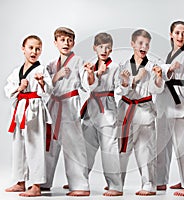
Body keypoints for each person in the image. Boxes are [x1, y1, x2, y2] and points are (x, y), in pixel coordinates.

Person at [40, 27, 90, 196]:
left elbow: (86, 84)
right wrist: (57, 75)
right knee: (49, 144)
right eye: (62, 40)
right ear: (55, 43)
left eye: (69, 40)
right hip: (53, 105)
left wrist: (90, 73)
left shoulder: (79, 61)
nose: (66, 43)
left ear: (73, 43)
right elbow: (45, 87)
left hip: (69, 105)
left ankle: (80, 186)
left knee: (74, 145)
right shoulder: (51, 65)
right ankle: (44, 182)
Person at [155, 21, 184, 196]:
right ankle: (160, 181)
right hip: (163, 100)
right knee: (161, 143)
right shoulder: (166, 55)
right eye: (177, 33)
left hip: (180, 99)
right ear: (171, 34)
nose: (180, 36)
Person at [4, 35, 53, 197]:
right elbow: (8, 90)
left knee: (34, 145)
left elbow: (49, 90)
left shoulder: (41, 70)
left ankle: (37, 184)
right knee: (19, 145)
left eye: (38, 49)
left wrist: (41, 82)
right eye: (31, 48)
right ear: (23, 48)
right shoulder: (16, 71)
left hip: (34, 109)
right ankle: (20, 181)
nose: (34, 51)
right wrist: (20, 87)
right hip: (20, 109)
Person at [118, 29, 164, 196]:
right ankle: (117, 185)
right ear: (132, 44)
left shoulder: (152, 66)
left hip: (144, 110)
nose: (143, 46)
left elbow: (155, 89)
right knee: (121, 149)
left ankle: (149, 184)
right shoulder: (123, 65)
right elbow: (120, 90)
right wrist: (126, 81)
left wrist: (158, 77)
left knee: (145, 149)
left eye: (146, 44)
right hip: (125, 110)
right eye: (140, 43)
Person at [81, 32, 123, 196]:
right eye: (100, 47)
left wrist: (125, 81)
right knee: (86, 148)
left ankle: (115, 186)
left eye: (107, 48)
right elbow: (86, 87)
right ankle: (80, 181)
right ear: (94, 48)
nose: (104, 50)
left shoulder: (115, 67)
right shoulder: (89, 65)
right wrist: (93, 73)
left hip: (107, 108)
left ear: (111, 50)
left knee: (109, 149)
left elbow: (120, 88)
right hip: (91, 108)